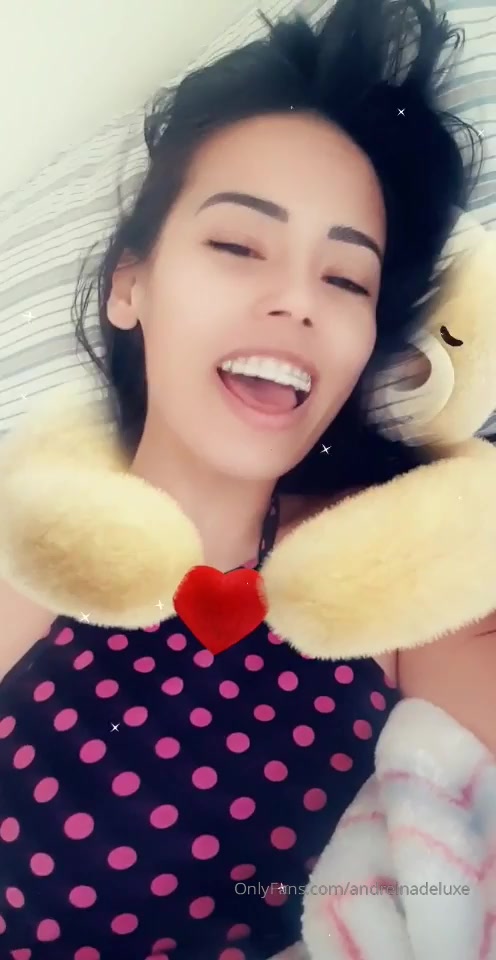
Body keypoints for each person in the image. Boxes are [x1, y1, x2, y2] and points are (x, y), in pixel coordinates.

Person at [0, 1, 494, 958]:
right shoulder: (29, 547)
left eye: (346, 280)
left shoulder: (394, 566)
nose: (297, 300)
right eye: (237, 246)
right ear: (130, 285)